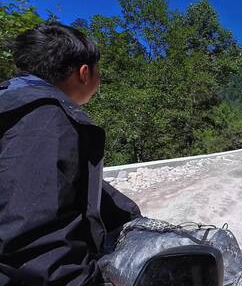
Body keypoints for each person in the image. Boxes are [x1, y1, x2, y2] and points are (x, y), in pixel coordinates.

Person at [0, 23, 141, 285]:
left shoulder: (17, 104)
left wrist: (132, 218)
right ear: (84, 73)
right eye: (99, 72)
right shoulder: (45, 119)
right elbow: (36, 244)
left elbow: (62, 181)